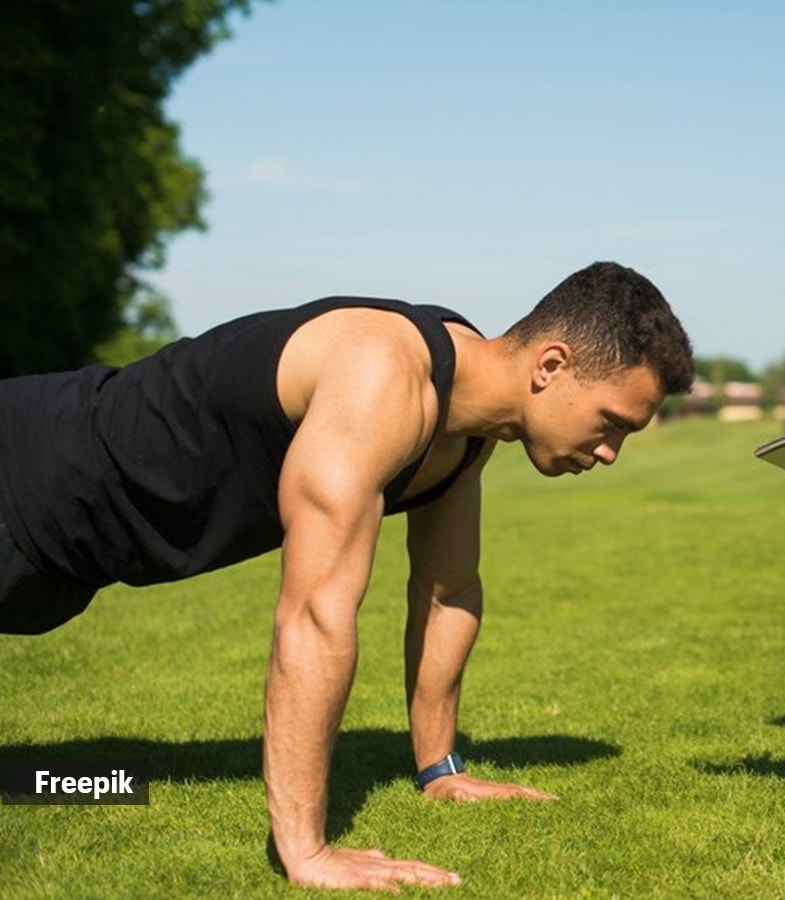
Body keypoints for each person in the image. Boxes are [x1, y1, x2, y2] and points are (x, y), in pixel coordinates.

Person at [0, 261, 695, 891]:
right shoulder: (381, 376)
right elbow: (315, 614)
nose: (610, 451)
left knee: (36, 781)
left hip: (66, 555)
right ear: (550, 364)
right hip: (20, 480)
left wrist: (440, 771)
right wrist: (306, 850)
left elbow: (448, 589)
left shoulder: (468, 427)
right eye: (612, 423)